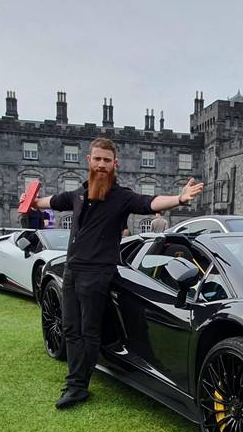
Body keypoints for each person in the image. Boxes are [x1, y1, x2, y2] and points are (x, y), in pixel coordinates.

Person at [29, 138, 203, 408]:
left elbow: (150, 202)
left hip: (97, 274)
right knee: (70, 328)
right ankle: (76, 380)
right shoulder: (78, 195)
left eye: (106, 160)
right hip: (73, 269)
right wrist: (30, 202)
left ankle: (77, 387)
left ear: (114, 164)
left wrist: (180, 198)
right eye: (97, 159)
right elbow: (51, 201)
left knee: (88, 331)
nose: (101, 165)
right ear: (89, 161)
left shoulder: (121, 197)